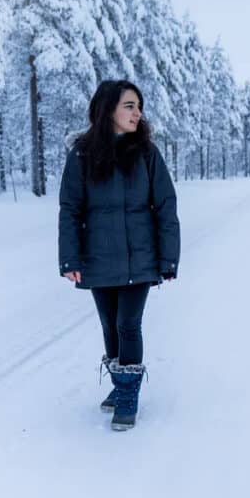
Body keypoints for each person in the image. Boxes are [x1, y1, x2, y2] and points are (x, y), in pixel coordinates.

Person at [58, 80, 180, 431]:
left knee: (128, 324)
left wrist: (168, 257)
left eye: (138, 106)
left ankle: (128, 395)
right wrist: (71, 258)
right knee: (109, 324)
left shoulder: (147, 153)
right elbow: (71, 209)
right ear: (108, 107)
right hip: (98, 257)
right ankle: (120, 383)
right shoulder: (82, 154)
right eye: (129, 105)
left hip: (140, 257)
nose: (137, 112)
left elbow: (166, 206)